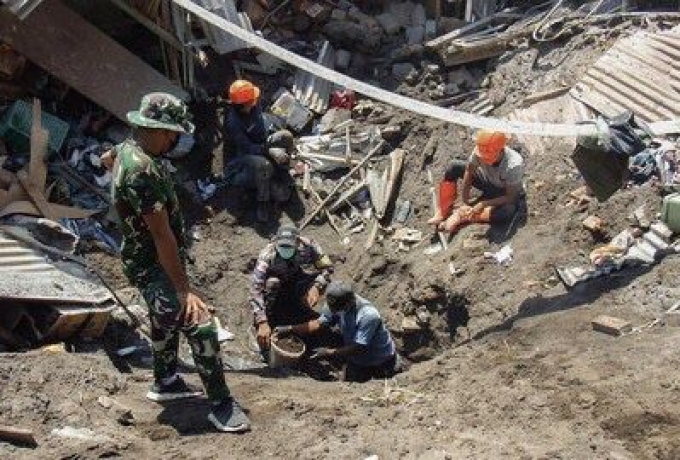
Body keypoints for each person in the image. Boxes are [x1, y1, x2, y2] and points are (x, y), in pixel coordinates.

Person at [107, 93, 250, 433]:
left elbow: (106, 157)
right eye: (170, 132)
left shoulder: (128, 148)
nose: (174, 139)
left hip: (143, 253)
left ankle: (166, 381)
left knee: (164, 315)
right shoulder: (141, 171)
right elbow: (161, 236)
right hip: (150, 260)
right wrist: (184, 290)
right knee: (197, 320)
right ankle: (221, 405)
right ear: (153, 128)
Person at [274, 281, 401, 383]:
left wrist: (328, 353)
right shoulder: (334, 304)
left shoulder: (368, 315)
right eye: (332, 308)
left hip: (382, 360)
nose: (334, 312)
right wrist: (290, 328)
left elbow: (360, 347)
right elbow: (318, 323)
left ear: (350, 301)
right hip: (357, 361)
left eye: (338, 309)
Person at [250, 224, 333, 356]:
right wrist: (262, 321)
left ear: (297, 241)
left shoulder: (309, 246)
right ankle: (271, 315)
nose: (285, 249)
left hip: (295, 277)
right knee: (273, 283)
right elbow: (255, 288)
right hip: (275, 280)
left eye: (289, 246)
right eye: (282, 246)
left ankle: (299, 307)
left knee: (319, 283)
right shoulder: (267, 255)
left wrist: (316, 287)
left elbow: (327, 268)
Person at [223, 79, 295, 222]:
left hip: (260, 145)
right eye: (252, 99)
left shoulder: (254, 106)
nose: (256, 100)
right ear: (243, 104)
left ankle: (282, 171)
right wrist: (270, 151)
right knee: (263, 165)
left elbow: (261, 127)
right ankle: (262, 201)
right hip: (241, 160)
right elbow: (246, 148)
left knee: (286, 136)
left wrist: (271, 141)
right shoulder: (233, 122)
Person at [428, 129, 525, 234]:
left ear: (500, 150)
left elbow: (510, 197)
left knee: (507, 212)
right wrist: (464, 201)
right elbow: (469, 173)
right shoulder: (481, 149)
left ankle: (465, 217)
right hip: (487, 181)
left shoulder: (514, 165)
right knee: (454, 166)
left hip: (503, 192)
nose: (483, 159)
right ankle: (444, 211)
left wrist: (483, 204)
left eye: (487, 157)